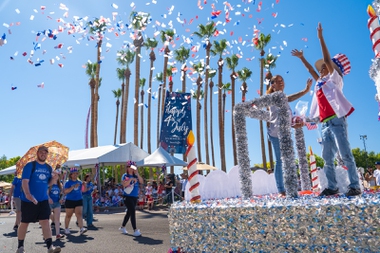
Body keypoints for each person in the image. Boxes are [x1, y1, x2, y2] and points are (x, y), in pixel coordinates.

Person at [291, 22, 361, 197]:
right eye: (321, 69)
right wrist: (301, 58)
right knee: (327, 158)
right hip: (325, 123)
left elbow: (328, 60)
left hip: (337, 121)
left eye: (325, 68)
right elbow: (310, 70)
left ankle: (355, 185)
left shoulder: (335, 80)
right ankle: (332, 186)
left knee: (345, 154)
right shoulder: (320, 83)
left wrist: (320, 38)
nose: (322, 69)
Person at [266, 75, 312, 196]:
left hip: (285, 134)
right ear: (273, 85)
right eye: (278, 81)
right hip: (275, 134)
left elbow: (287, 116)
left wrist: (295, 123)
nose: (281, 82)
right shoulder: (273, 97)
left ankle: (289, 187)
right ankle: (281, 189)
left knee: (288, 160)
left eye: (282, 80)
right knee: (279, 161)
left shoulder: (283, 98)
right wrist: (305, 91)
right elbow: (289, 98)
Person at [16, 145, 61, 253]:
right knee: (25, 222)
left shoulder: (49, 168)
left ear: (47, 154)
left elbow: (48, 183)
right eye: (41, 152)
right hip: (29, 200)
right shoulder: (30, 166)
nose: (43, 154)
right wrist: (28, 194)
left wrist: (54, 179)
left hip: (43, 199)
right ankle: (20, 247)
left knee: (45, 221)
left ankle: (50, 247)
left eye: (45, 153)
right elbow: (25, 181)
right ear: (37, 153)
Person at [119, 160, 144, 236]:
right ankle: (135, 230)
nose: (131, 169)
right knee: (132, 212)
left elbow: (141, 181)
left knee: (129, 212)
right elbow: (124, 185)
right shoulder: (125, 175)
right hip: (127, 197)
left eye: (132, 167)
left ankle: (122, 226)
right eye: (129, 167)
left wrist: (137, 174)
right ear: (127, 167)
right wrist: (130, 179)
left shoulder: (136, 175)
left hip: (134, 197)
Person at [63, 167, 87, 235]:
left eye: (76, 173)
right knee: (69, 215)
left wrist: (84, 186)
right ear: (70, 175)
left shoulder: (79, 182)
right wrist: (73, 187)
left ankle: (81, 228)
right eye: (73, 174)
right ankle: (66, 228)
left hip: (78, 199)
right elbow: (65, 191)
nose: (75, 175)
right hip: (70, 200)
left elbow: (83, 191)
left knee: (79, 214)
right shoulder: (68, 182)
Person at [48, 167, 65, 240]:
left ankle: (58, 234)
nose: (55, 176)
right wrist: (49, 198)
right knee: (48, 216)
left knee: (57, 219)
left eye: (57, 175)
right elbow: (46, 193)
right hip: (49, 203)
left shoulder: (60, 185)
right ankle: (47, 234)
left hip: (57, 203)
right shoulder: (49, 184)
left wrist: (61, 199)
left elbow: (61, 194)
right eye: (54, 174)